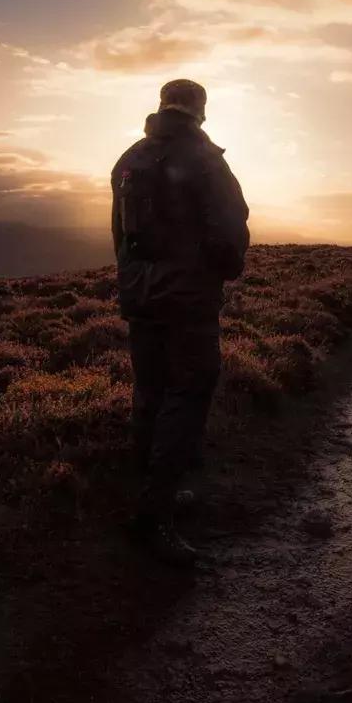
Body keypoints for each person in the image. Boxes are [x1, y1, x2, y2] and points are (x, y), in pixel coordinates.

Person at [111, 79, 249, 566]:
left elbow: (119, 238)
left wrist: (134, 284)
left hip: (140, 297)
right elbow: (231, 235)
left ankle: (150, 491)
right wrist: (217, 272)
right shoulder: (206, 159)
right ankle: (154, 517)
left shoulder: (129, 158)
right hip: (188, 300)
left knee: (149, 392)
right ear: (199, 108)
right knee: (187, 395)